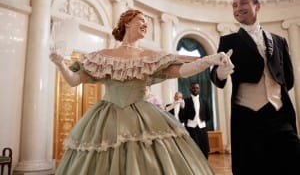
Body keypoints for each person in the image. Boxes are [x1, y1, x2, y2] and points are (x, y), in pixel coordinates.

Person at [50, 9, 232, 175]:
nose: (146, 24)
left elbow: (182, 71)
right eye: (142, 20)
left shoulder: (150, 56)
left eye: (147, 22)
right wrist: (60, 64)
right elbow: (73, 81)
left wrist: (209, 60)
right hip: (106, 120)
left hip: (144, 117)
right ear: (127, 22)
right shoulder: (102, 56)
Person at [210, 0, 300, 175]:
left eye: (243, 3)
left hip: (280, 115)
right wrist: (222, 72)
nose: (238, 8)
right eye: (234, 5)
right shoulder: (228, 41)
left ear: (257, 6)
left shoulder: (279, 41)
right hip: (247, 118)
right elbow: (216, 78)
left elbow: (288, 79)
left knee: (292, 163)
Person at [179, 83, 211, 159]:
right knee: (193, 147)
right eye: (193, 88)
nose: (195, 89)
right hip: (191, 127)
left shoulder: (204, 101)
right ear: (190, 89)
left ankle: (204, 163)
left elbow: (208, 115)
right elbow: (182, 116)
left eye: (197, 88)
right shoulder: (185, 101)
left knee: (204, 147)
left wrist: (201, 121)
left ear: (199, 89)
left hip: (202, 127)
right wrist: (182, 108)